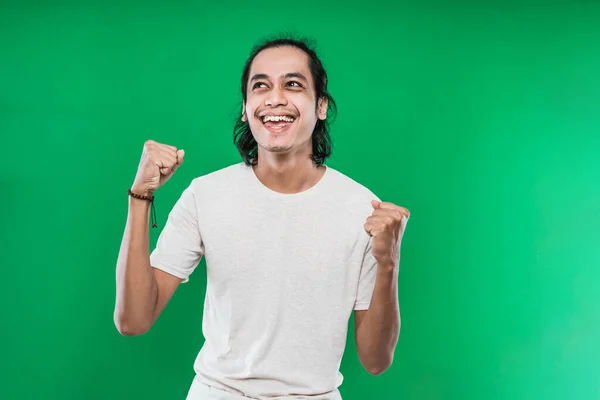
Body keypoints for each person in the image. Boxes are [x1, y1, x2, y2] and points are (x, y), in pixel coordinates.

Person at [114, 36, 410, 400]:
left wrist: (388, 262)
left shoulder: (362, 209)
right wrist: (140, 196)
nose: (275, 98)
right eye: (261, 86)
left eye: (293, 84)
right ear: (245, 108)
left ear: (321, 106)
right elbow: (133, 320)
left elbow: (376, 361)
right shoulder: (205, 195)